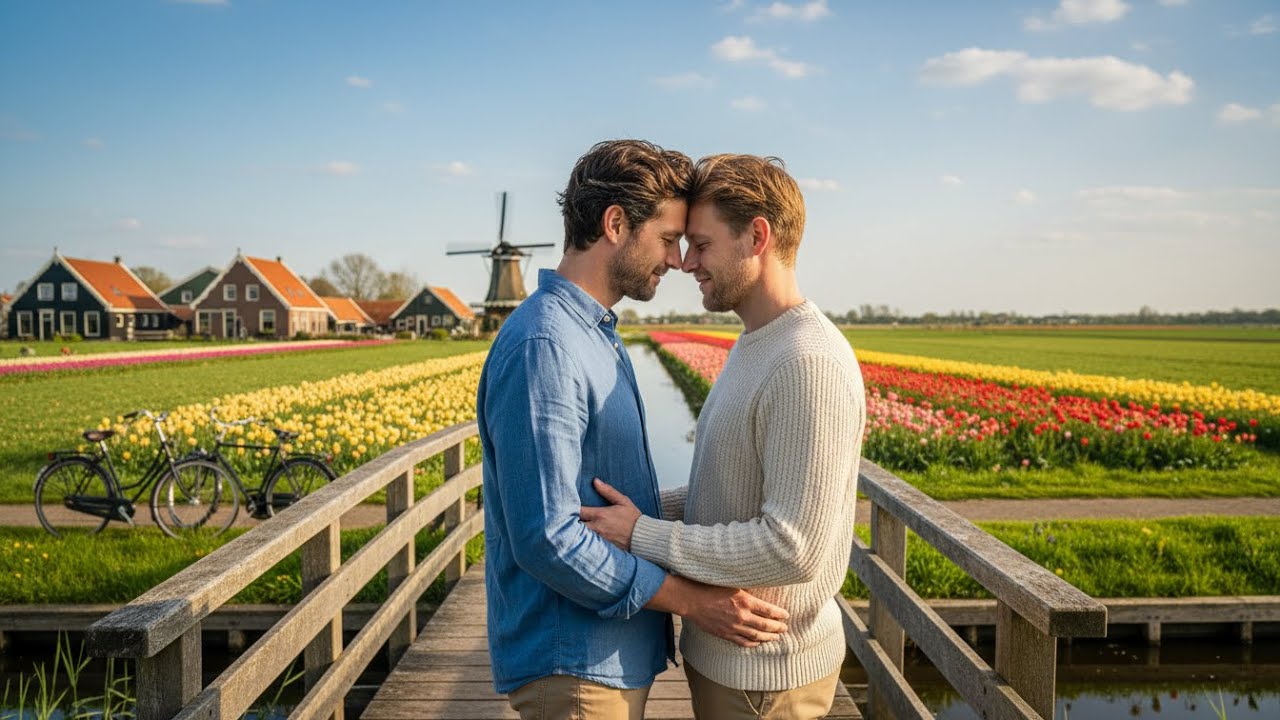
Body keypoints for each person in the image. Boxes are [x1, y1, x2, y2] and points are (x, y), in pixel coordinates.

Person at [478, 140, 791, 720]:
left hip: (599, 658)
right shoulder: (547, 345)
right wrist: (692, 602)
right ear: (616, 224)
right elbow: (547, 537)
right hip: (573, 665)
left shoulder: (591, 333)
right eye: (669, 238)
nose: (677, 259)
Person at [580, 153, 866, 719]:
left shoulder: (807, 361)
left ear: (756, 236)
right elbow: (730, 488)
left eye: (702, 244)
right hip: (731, 663)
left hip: (766, 675)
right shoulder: (757, 342)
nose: (686, 263)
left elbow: (792, 546)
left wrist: (643, 535)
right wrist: (634, 509)